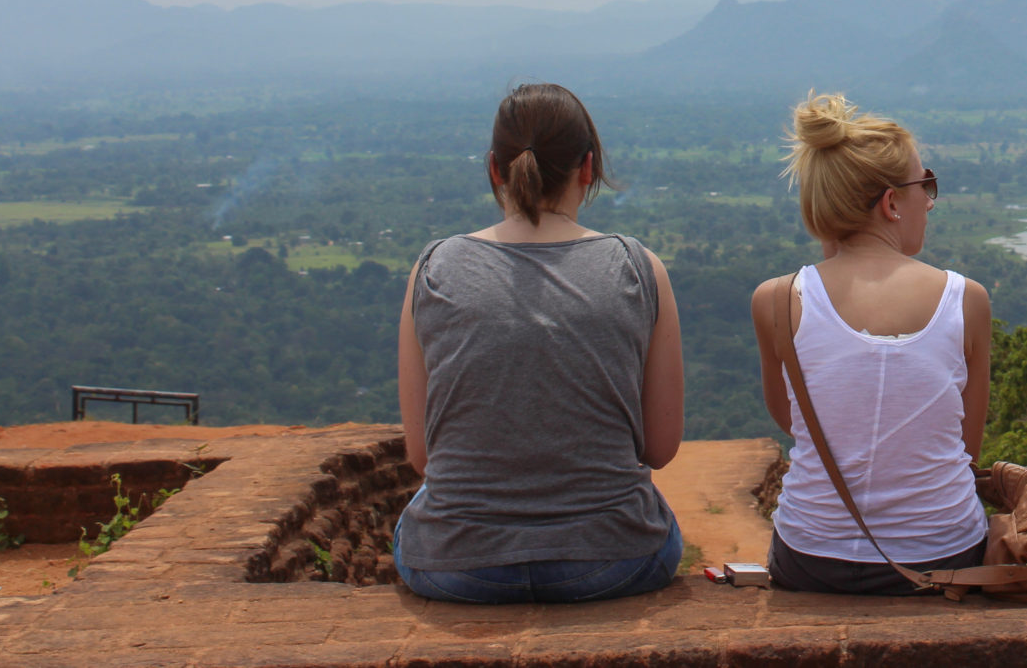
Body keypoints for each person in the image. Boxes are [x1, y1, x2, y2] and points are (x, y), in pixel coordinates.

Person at [393, 83, 685, 603]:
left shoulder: (434, 267)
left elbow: (422, 456)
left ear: (494, 169)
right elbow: (659, 450)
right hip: (615, 559)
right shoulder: (637, 267)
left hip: (456, 566)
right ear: (587, 168)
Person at [750, 92, 993, 594]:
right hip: (943, 553)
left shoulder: (775, 301)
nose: (929, 199)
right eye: (924, 185)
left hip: (810, 555)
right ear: (890, 203)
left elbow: (790, 418)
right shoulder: (965, 300)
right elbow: (965, 446)